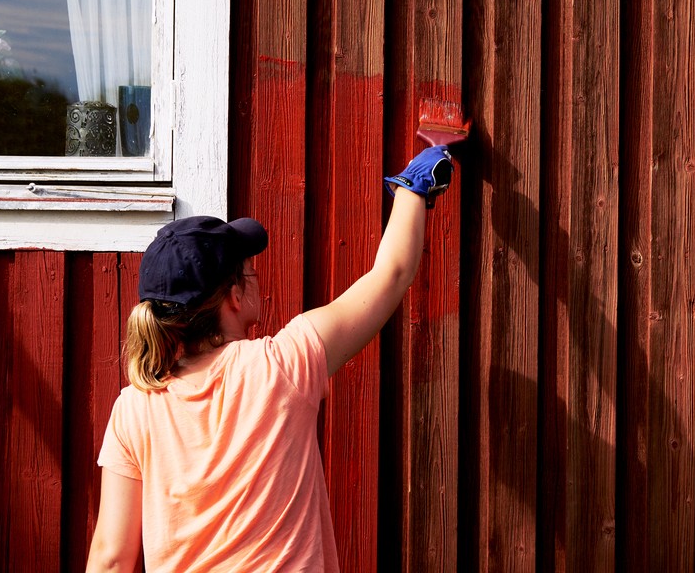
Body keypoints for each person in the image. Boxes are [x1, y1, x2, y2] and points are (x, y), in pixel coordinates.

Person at [85, 145, 455, 572]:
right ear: (234, 298)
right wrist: (414, 188)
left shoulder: (134, 408)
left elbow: (111, 558)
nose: (255, 276)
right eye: (248, 270)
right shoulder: (281, 366)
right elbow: (391, 274)